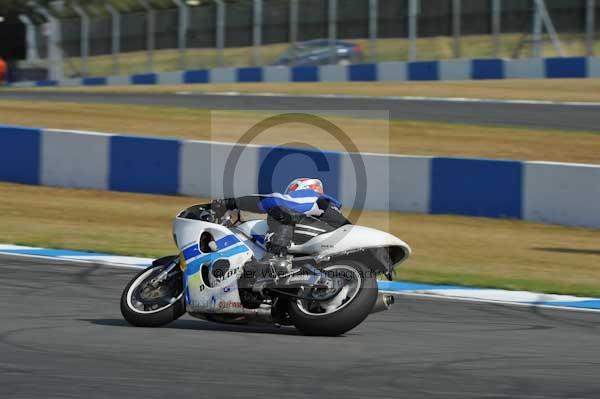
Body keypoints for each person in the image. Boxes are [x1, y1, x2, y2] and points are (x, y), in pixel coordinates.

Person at [211, 177, 350, 274]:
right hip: (335, 246)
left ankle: (275, 260)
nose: (291, 194)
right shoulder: (327, 209)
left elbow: (274, 200)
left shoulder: (314, 197)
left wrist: (231, 203)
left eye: (292, 191)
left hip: (329, 239)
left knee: (279, 209)